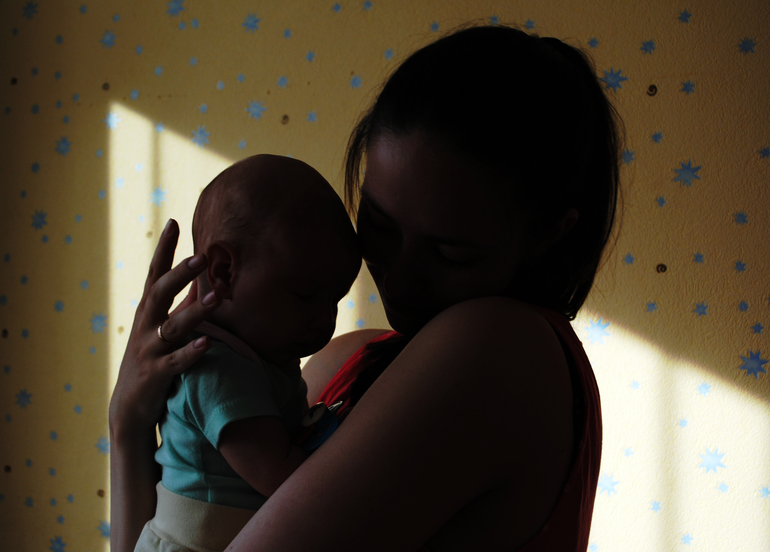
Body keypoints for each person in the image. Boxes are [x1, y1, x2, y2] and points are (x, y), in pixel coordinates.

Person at [110, 24, 621, 552]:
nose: (398, 275)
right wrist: (128, 424)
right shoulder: (345, 360)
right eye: (378, 225)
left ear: (548, 235)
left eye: (450, 253)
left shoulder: (501, 345)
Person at [133, 155, 362, 551]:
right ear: (224, 271)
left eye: (335, 302)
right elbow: (283, 477)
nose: (325, 322)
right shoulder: (216, 366)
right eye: (305, 295)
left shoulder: (256, 358)